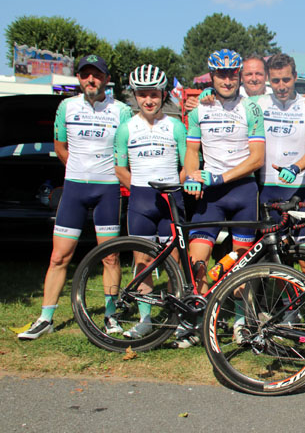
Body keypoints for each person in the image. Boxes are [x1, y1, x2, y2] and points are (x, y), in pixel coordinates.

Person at [18, 54, 132, 340]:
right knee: (59, 256)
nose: (90, 80)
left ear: (106, 79)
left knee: (110, 257)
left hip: (107, 189)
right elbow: (60, 146)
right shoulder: (66, 106)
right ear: (79, 78)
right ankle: (46, 318)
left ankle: (110, 315)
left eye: (96, 75)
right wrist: (78, 170)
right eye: (85, 75)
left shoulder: (121, 110)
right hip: (75, 189)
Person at [181, 49, 265, 347]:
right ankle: (199, 320)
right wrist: (192, 176)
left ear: (239, 75)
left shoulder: (251, 108)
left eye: (232, 74)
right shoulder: (198, 109)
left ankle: (242, 321)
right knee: (197, 261)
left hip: (242, 190)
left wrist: (220, 177)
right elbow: (192, 152)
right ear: (212, 76)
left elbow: (257, 159)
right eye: (221, 74)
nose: (227, 80)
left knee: (242, 263)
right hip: (210, 196)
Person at [113, 64, 187, 338]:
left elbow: (187, 163)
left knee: (174, 262)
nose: (148, 100)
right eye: (142, 94)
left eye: (154, 94)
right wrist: (139, 188)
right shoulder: (126, 128)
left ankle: (175, 317)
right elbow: (120, 168)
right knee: (142, 261)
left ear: (163, 94)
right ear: (134, 95)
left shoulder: (175, 126)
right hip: (141, 201)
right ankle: (145, 320)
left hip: (171, 200)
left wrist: (175, 185)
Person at [255, 53, 305, 243]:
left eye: (286, 79)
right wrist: (207, 93)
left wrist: (295, 167)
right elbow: (229, 101)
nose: (281, 86)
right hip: (268, 190)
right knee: (277, 258)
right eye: (275, 81)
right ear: (268, 79)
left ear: (295, 77)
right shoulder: (257, 104)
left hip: (301, 189)